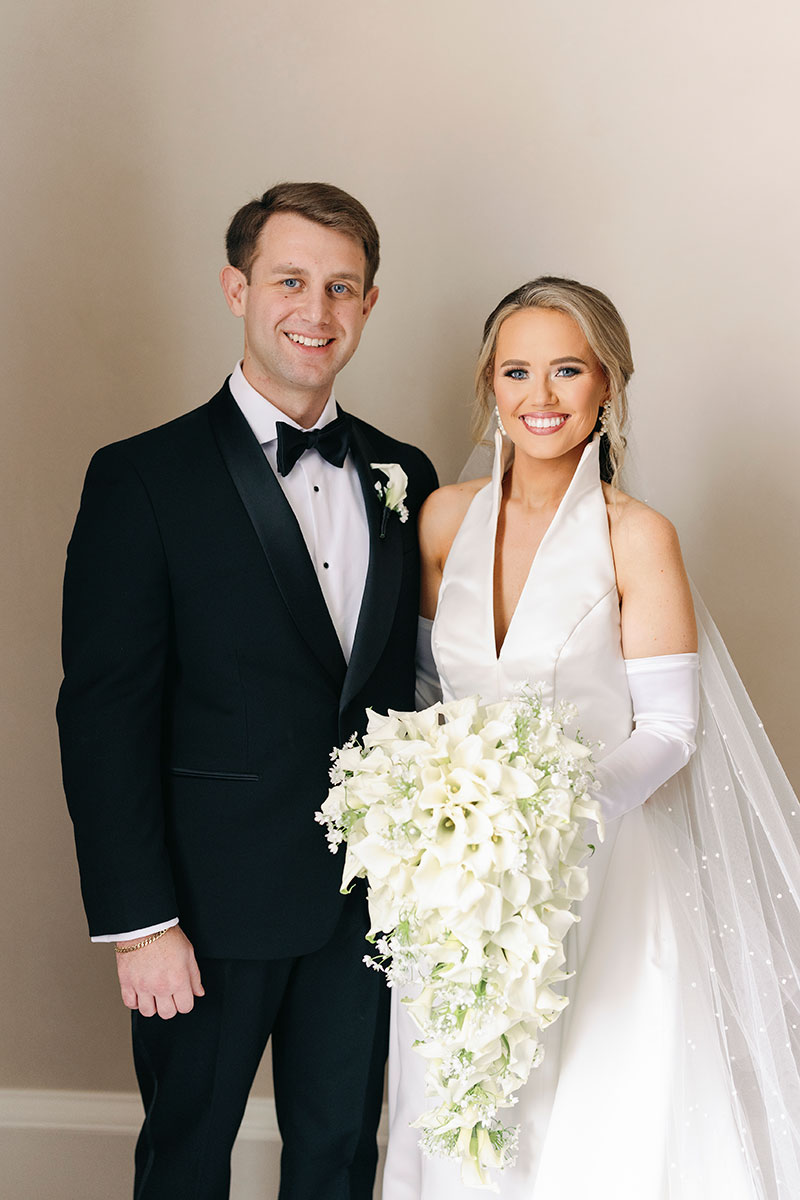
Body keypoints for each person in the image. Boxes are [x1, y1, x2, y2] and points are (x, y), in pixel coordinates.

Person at [56, 181, 438, 1200]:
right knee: (186, 1160)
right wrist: (139, 922)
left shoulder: (407, 474)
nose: (315, 310)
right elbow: (103, 712)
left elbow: (416, 691)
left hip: (364, 908)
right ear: (236, 288)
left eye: (341, 287)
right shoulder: (142, 478)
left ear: (366, 306)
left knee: (337, 1160)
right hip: (203, 911)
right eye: (289, 280)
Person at [382, 277, 800, 1197]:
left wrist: (556, 815)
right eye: (517, 370)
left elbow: (671, 729)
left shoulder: (638, 536)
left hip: (598, 869)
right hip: (458, 885)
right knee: (460, 1103)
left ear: (607, 386)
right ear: (489, 383)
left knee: (589, 1117)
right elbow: (422, 688)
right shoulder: (443, 520)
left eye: (566, 370)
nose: (540, 396)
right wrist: (432, 800)